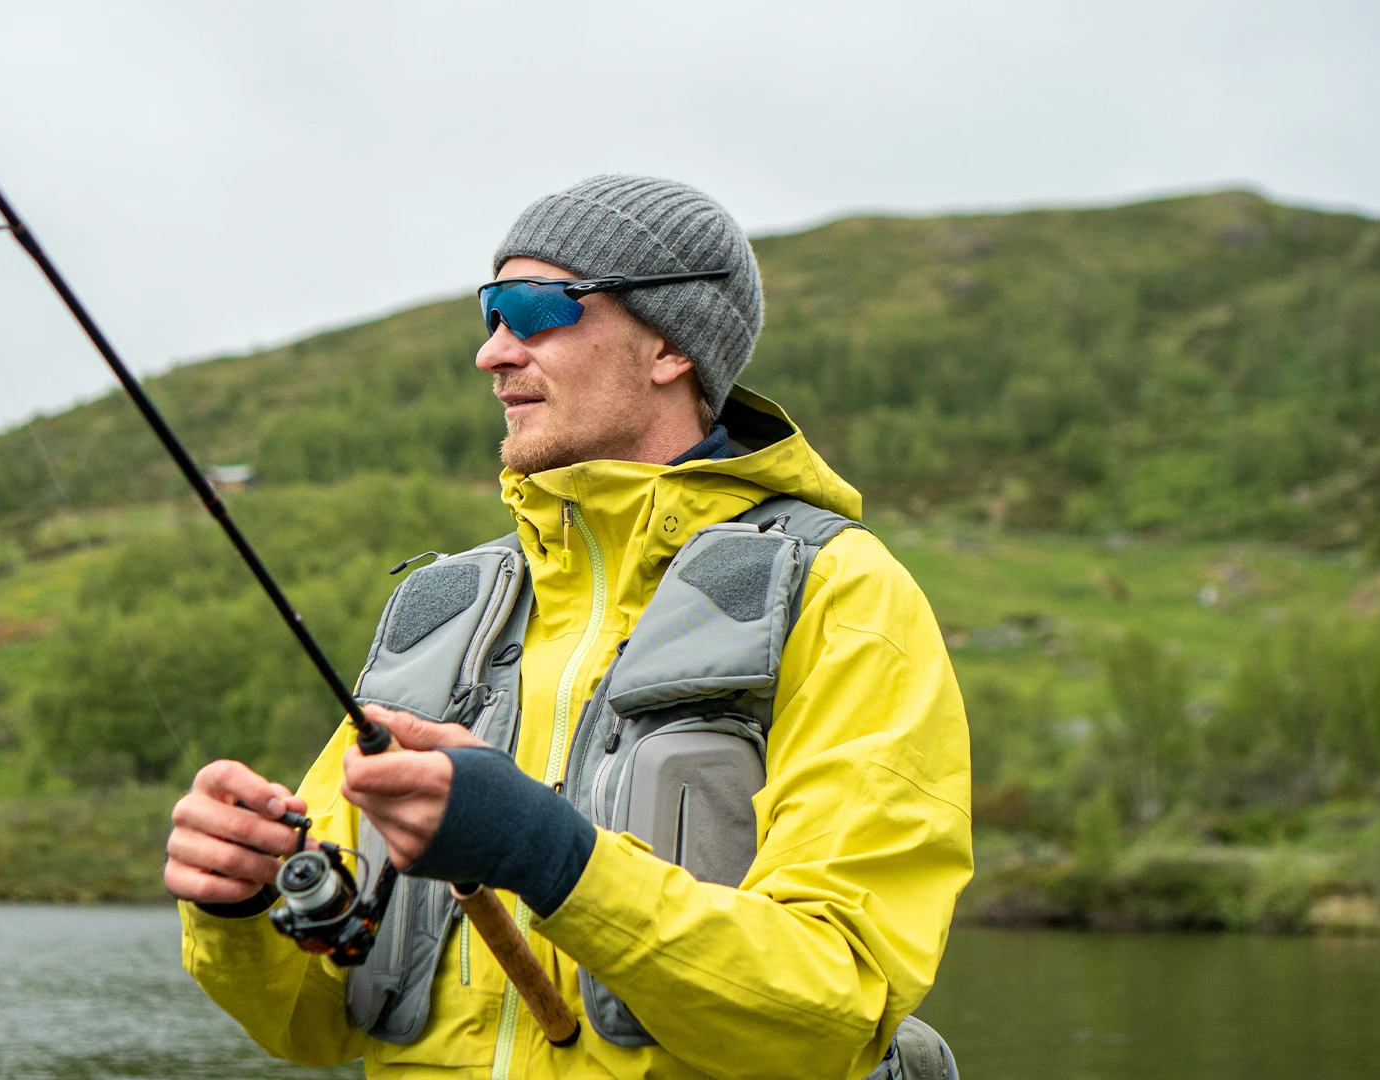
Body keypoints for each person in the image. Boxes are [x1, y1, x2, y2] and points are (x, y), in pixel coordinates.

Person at [164, 174, 972, 1080]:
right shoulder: (444, 612)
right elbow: (313, 1026)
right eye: (488, 314)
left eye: (532, 309)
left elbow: (836, 1008)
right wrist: (241, 903)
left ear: (670, 346)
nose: (493, 354)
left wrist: (550, 856)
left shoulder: (843, 595)